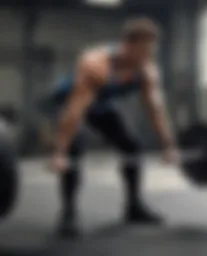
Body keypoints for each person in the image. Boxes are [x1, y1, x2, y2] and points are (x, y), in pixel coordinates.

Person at [47, 17, 176, 237]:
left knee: (132, 146)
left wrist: (168, 146)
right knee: (73, 150)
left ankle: (133, 207)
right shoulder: (95, 64)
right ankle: (68, 213)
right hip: (67, 101)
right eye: (143, 50)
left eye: (151, 51)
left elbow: (155, 110)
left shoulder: (147, 70)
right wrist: (59, 152)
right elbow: (75, 111)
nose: (148, 56)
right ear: (127, 45)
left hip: (100, 104)